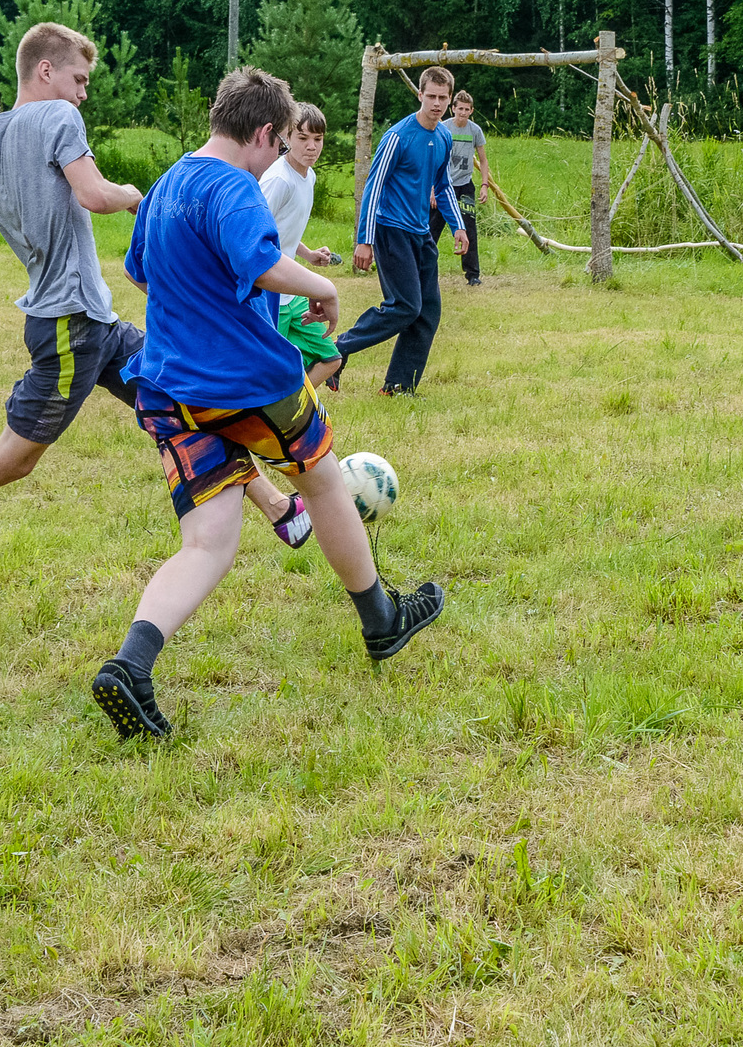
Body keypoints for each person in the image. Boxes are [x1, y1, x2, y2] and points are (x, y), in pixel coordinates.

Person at [0, 24, 315, 614]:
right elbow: (93, 194)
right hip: (69, 326)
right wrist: (136, 195)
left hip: (94, 321)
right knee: (11, 460)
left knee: (185, 397)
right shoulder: (59, 118)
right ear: (45, 71)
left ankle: (276, 505)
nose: (84, 93)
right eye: (79, 79)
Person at [91, 67, 444, 740]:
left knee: (207, 542)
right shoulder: (233, 187)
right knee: (323, 478)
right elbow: (262, 264)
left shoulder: (167, 184)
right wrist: (325, 288)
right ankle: (380, 618)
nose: (277, 154)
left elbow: (141, 272)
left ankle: (131, 665)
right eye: (279, 142)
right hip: (247, 382)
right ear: (261, 133)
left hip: (170, 388)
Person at [333, 67, 468, 396]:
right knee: (406, 305)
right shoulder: (397, 137)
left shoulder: (444, 137)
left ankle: (398, 386)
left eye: (443, 97)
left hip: (421, 234)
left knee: (428, 311)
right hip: (391, 230)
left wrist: (459, 226)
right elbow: (373, 186)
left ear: (450, 100)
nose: (436, 103)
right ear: (420, 95)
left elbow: (443, 186)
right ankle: (337, 350)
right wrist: (364, 240)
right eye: (431, 96)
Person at [260, 102, 344, 389]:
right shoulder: (278, 179)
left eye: (318, 139)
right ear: (286, 136)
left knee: (331, 358)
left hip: (292, 292)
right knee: (268, 371)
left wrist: (307, 254)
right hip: (271, 293)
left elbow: (282, 231)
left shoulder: (310, 176)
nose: (312, 146)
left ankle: (298, 406)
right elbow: (254, 233)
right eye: (303, 137)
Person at [429, 90, 488, 285]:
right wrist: (431, 189)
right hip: (443, 185)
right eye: (460, 109)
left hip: (465, 186)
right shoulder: (443, 128)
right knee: (432, 229)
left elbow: (483, 159)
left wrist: (484, 185)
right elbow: (433, 159)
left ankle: (473, 274)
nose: (463, 113)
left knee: (468, 228)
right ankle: (422, 268)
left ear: (471, 111)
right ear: (453, 109)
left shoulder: (475, 131)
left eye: (466, 109)